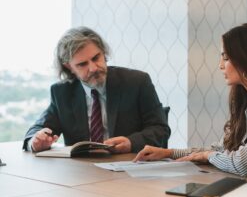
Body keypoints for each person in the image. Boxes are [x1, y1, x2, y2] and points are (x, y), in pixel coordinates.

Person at [134, 23, 247, 176]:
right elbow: (221, 150)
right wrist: (169, 153)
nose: (220, 65)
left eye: (226, 57)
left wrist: (208, 156)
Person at [23, 26, 170, 153]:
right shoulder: (62, 93)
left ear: (103, 52)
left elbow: (160, 129)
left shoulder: (137, 82)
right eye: (82, 64)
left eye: (96, 58)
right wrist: (36, 141)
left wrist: (131, 142)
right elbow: (38, 129)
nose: (93, 68)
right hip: (83, 174)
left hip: (129, 167)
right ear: (69, 67)